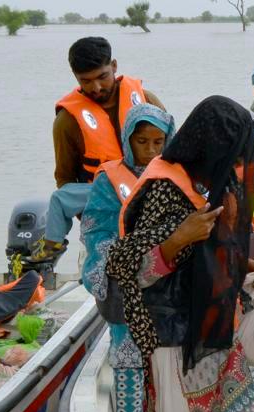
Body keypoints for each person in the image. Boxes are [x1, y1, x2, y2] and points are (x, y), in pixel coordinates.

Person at [106, 96, 254, 412]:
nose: (236, 163)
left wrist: (241, 264)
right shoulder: (164, 189)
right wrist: (180, 236)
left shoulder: (199, 183)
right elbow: (127, 269)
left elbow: (202, 251)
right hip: (171, 338)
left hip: (199, 329)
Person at [79, 104, 175, 412]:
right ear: (127, 141)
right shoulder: (108, 180)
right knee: (129, 364)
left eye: (158, 142)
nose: (150, 151)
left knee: (167, 369)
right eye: (142, 142)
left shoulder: (174, 175)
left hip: (167, 290)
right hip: (128, 289)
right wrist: (118, 262)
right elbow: (94, 229)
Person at [38, 37, 166, 262]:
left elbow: (175, 151)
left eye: (102, 77)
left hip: (152, 197)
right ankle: (50, 251)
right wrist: (98, 222)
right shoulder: (67, 121)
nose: (96, 87)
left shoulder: (147, 100)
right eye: (86, 81)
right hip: (105, 205)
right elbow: (65, 179)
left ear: (114, 66)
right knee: (60, 198)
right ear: (76, 78)